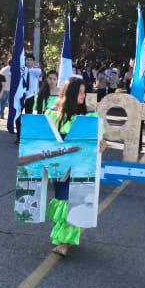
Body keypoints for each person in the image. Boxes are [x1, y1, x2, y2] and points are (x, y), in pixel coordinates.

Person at [45, 76, 104, 257]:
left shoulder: (89, 116)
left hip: (79, 166)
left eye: (84, 92)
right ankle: (62, 237)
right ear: (70, 93)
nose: (83, 96)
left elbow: (98, 140)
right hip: (59, 166)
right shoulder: (53, 114)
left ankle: (65, 242)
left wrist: (103, 144)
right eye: (79, 92)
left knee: (71, 201)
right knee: (61, 199)